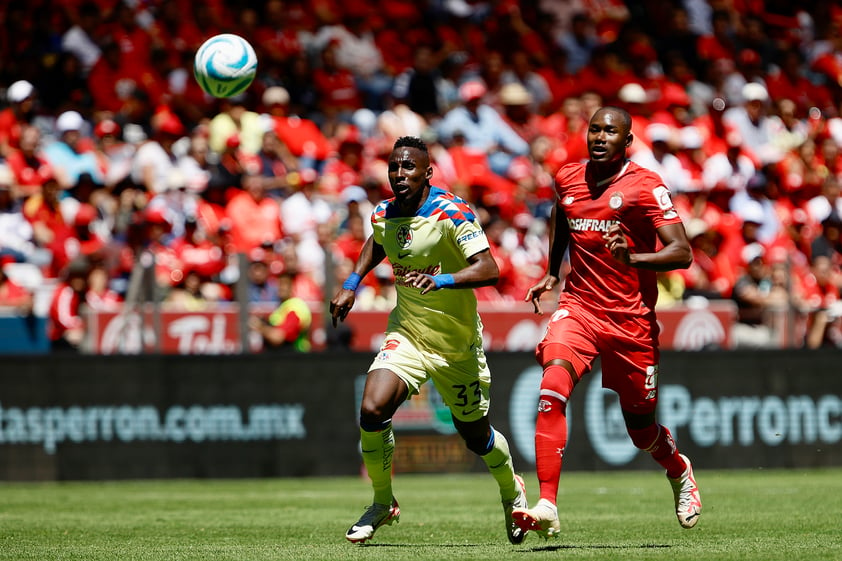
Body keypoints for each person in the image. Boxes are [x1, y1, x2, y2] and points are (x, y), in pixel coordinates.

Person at [512, 107, 701, 538]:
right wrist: (550, 271)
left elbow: (682, 252)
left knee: (640, 431)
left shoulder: (645, 186)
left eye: (610, 131)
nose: (599, 137)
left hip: (630, 320)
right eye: (594, 129)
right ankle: (547, 505)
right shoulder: (567, 177)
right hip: (579, 305)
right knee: (552, 385)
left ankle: (677, 467)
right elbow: (563, 213)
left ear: (627, 141)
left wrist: (632, 257)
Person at [330, 136, 528, 545]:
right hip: (408, 333)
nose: (399, 175)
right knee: (372, 407)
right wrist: (352, 282)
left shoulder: (451, 212)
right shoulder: (384, 212)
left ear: (427, 172)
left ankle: (512, 493)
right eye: (394, 168)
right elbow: (380, 240)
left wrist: (441, 280)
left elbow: (490, 269)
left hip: (456, 346)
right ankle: (383, 503)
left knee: (476, 437)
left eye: (408, 168)